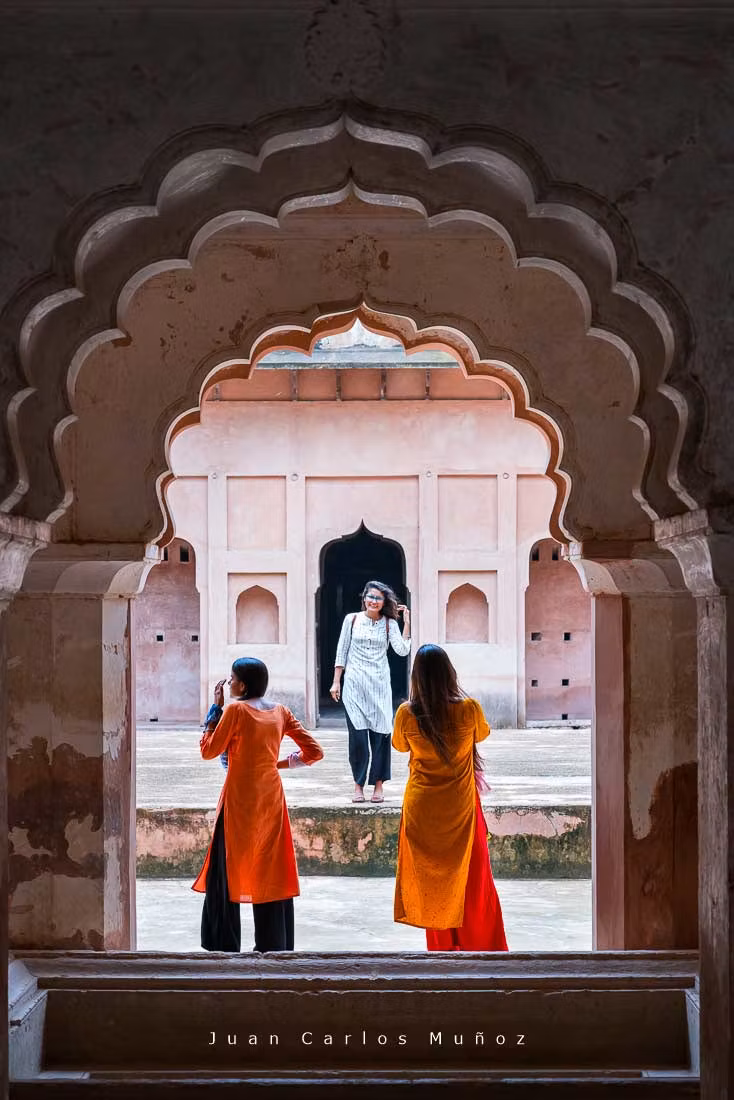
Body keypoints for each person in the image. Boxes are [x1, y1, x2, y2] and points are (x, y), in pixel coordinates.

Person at [192, 657, 324, 952]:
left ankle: (223, 942)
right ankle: (273, 943)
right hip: (271, 798)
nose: (229, 683)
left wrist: (215, 709)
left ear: (243, 684)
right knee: (270, 867)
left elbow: (209, 751)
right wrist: (277, 764)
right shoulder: (281, 712)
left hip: (240, 797)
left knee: (227, 866)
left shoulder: (236, 710)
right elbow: (314, 752)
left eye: (232, 678)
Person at [392, 644, 508, 952]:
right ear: (449, 673)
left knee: (434, 884)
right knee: (472, 881)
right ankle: (479, 946)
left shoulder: (407, 713)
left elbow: (400, 746)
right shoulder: (468, 708)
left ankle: (442, 949)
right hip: (461, 807)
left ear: (416, 676)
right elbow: (481, 734)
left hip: (422, 808)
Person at [330, 579, 411, 803]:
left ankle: (378, 785)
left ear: (384, 601)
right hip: (354, 686)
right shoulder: (352, 620)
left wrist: (406, 623)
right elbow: (341, 651)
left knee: (381, 736)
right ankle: (358, 785)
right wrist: (336, 682)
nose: (374, 601)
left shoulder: (389, 623)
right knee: (357, 739)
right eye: (371, 597)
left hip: (379, 687)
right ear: (364, 597)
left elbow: (402, 650)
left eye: (378, 598)